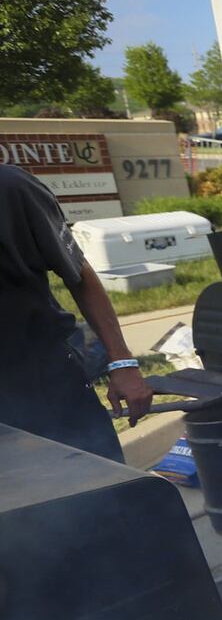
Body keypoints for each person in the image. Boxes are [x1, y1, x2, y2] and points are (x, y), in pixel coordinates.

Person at [0, 164, 151, 459]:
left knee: (100, 489)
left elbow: (79, 276)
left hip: (43, 383)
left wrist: (122, 364)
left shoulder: (11, 188)